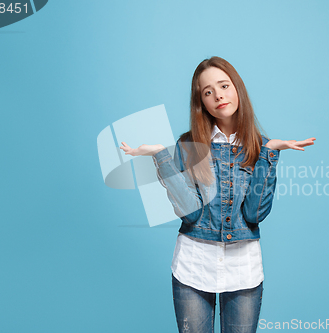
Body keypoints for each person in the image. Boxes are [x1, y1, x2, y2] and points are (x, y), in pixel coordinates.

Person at [120, 56, 316, 333]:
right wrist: (162, 158)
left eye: (223, 86)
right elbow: (191, 213)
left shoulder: (259, 146)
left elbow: (254, 214)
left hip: (243, 270)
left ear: (237, 88)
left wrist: (270, 155)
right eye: (207, 92)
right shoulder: (189, 145)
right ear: (201, 102)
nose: (218, 96)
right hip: (193, 266)